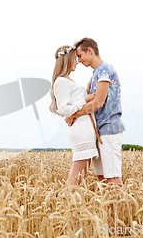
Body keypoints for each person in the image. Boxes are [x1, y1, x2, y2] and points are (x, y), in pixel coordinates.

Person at [65, 38, 125, 185]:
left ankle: (120, 208)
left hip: (109, 128)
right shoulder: (94, 75)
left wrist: (73, 114)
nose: (78, 60)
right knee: (103, 178)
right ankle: (112, 209)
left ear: (90, 51)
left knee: (112, 178)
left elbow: (98, 102)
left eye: (80, 55)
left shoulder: (105, 69)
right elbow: (87, 99)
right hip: (99, 131)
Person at [49, 45, 99, 186]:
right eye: (74, 58)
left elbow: (75, 103)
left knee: (81, 178)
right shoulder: (61, 81)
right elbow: (63, 109)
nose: (77, 61)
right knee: (76, 178)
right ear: (67, 59)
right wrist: (86, 99)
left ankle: (73, 206)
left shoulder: (68, 80)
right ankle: (67, 205)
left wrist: (87, 91)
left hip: (86, 130)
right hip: (81, 131)